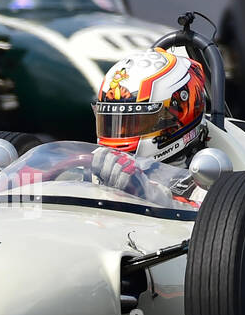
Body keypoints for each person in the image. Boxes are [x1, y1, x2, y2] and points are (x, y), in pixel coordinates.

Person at [89, 48, 211, 204]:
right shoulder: (95, 170)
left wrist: (145, 193)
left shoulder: (205, 186)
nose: (121, 133)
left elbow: (203, 218)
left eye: (137, 123)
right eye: (111, 122)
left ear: (179, 113)